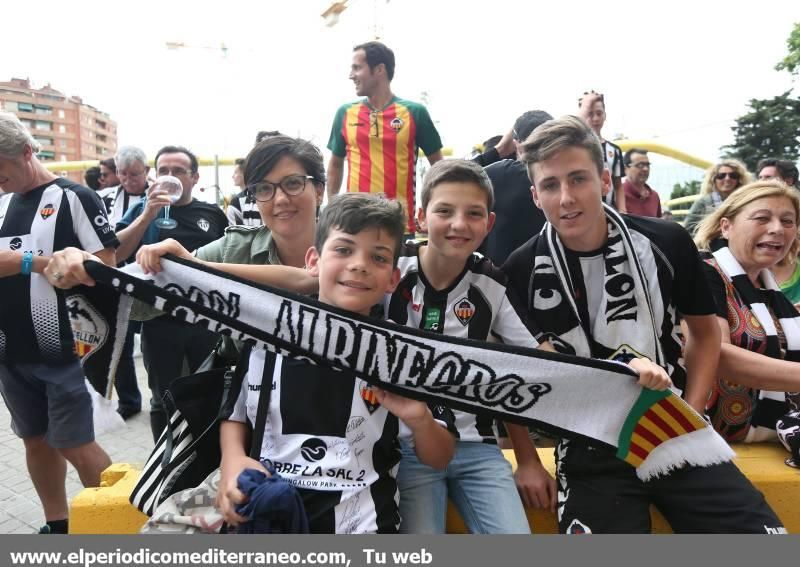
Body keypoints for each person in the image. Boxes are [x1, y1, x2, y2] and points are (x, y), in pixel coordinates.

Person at [503, 115, 783, 533]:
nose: (565, 197)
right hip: (588, 443)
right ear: (534, 195)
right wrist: (527, 459)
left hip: (671, 423)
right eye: (550, 185)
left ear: (603, 180)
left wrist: (692, 407)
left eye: (578, 179)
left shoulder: (667, 240)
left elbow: (705, 335)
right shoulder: (521, 267)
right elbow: (512, 374)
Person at [218, 193, 457, 533]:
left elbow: (440, 456)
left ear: (392, 278)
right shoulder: (268, 334)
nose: (359, 264)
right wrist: (232, 461)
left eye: (378, 257)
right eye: (344, 250)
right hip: (266, 518)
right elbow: (235, 412)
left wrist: (419, 418)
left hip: (365, 525)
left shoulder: (404, 352)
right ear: (313, 260)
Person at [388, 159, 554, 534]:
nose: (459, 224)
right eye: (444, 211)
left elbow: (536, 362)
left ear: (489, 224)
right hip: (404, 448)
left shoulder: (491, 282)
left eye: (473, 213)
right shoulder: (391, 269)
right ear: (421, 214)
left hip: (479, 449)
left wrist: (527, 459)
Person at [0, 111, 116, 534]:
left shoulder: (75, 197)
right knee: (34, 440)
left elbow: (107, 266)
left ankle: (114, 525)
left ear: (26, 152)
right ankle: (58, 523)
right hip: (10, 350)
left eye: (0, 168)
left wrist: (32, 263)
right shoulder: (2, 202)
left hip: (66, 351)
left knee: (73, 442)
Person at [116, 145, 228, 440]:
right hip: (159, 320)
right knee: (163, 396)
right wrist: (147, 215)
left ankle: (204, 458)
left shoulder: (213, 213)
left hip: (205, 318)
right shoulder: (142, 209)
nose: (170, 176)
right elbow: (115, 254)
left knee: (209, 389)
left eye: (178, 171)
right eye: (163, 170)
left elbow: (230, 262)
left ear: (194, 177)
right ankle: (163, 464)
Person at [693, 181, 800, 447]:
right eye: (762, 218)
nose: (777, 229)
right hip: (708, 441)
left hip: (766, 437)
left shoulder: (771, 293)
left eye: (788, 221)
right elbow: (716, 354)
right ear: (726, 226)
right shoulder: (704, 273)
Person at [327, 41, 443, 234]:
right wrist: (332, 209)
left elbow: (439, 168)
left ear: (379, 69)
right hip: (353, 224)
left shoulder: (415, 112)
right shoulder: (345, 112)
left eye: (357, 68)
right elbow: (336, 164)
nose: (351, 75)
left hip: (400, 227)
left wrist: (433, 211)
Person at [478, 110, 551, 265]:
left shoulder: (499, 174)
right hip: (551, 273)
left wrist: (499, 150)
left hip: (499, 279)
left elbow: (451, 175)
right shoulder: (566, 177)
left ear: (516, 144)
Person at [578, 91, 626, 213]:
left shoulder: (614, 150)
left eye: (599, 113)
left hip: (610, 212)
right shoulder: (577, 149)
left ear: (605, 115)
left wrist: (623, 212)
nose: (595, 118)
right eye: (590, 113)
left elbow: (618, 185)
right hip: (583, 210)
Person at [683, 159, 750, 236]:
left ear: (739, 180)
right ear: (713, 180)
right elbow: (688, 229)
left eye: (733, 175)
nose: (727, 178)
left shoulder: (746, 200)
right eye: (721, 176)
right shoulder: (703, 202)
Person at [622, 148, 661, 218]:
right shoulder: (618, 195)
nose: (645, 169)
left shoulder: (654, 196)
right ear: (625, 169)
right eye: (640, 165)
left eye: (647, 165)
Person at [225, 158, 262, 228]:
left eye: (236, 172)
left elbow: (234, 234)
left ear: (245, 174)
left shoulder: (235, 203)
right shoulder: (264, 196)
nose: (233, 176)